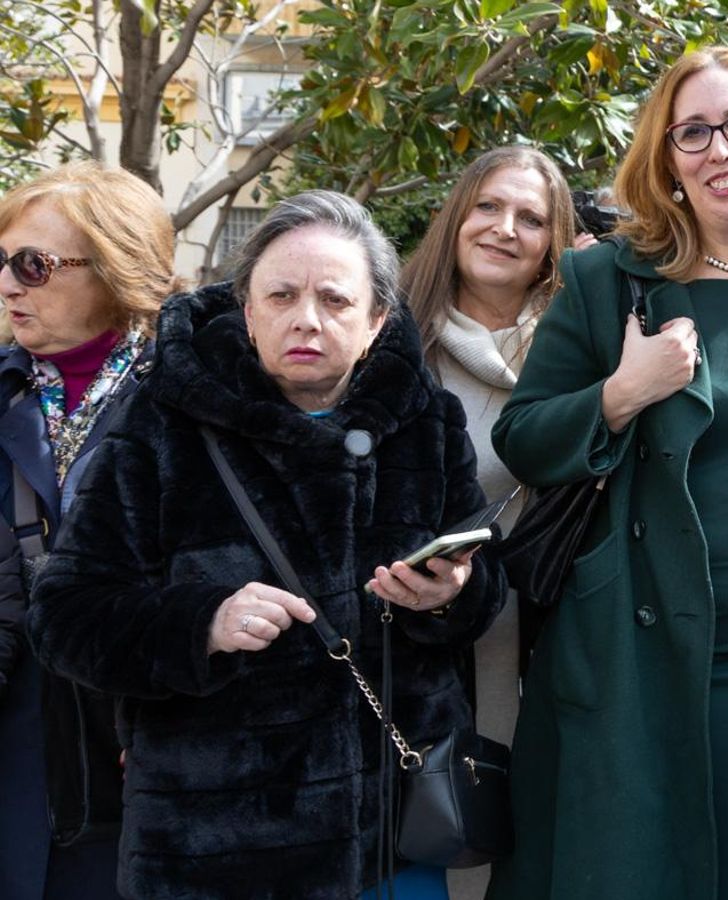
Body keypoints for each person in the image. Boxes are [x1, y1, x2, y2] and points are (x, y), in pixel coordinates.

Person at [26, 190, 505, 899]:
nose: (305, 318)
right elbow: (64, 616)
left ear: (377, 320)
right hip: (213, 846)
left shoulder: (424, 421)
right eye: (280, 295)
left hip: (389, 839)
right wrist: (203, 622)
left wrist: (452, 594)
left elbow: (483, 583)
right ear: (248, 311)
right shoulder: (163, 423)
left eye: (334, 301)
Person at [488, 45, 728, 900]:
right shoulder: (603, 281)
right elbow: (523, 438)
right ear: (664, 160)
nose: (718, 149)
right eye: (690, 133)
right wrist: (622, 394)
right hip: (639, 655)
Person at [398, 144, 597, 900]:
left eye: (530, 218)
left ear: (554, 241)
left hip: (554, 642)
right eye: (487, 207)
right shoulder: (395, 342)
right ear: (456, 217)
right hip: (428, 645)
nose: (504, 229)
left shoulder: (582, 348)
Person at [0, 162, 173, 900]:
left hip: (138, 740)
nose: (10, 284)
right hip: (14, 724)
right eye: (4, 263)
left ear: (115, 269)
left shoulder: (185, 404)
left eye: (33, 265)